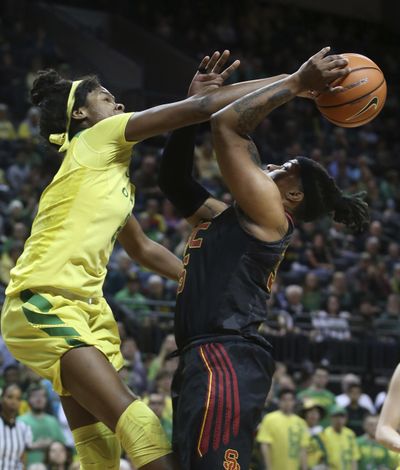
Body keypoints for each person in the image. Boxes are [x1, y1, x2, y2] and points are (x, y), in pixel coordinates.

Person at [1, 48, 297, 470]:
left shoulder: (109, 179)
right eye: (105, 97)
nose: (118, 103)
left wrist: (198, 279)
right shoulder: (96, 140)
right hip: (43, 300)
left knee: (99, 452)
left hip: (84, 310)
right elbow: (202, 109)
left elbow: (143, 250)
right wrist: (294, 80)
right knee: (141, 426)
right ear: (82, 115)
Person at [159, 47, 368, 469]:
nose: (271, 163)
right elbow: (175, 181)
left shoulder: (272, 217)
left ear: (292, 196)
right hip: (204, 356)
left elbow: (227, 124)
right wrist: (186, 109)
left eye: (284, 168)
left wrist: (296, 83)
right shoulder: (228, 217)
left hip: (227, 356)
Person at [257, 389, 310, 470]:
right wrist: (268, 467)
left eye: (290, 400)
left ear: (294, 402)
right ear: (279, 402)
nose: (287, 403)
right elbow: (265, 445)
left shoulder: (301, 422)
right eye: (284, 400)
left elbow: (303, 449)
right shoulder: (269, 418)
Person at [18, 385, 65, 466]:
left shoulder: (52, 421)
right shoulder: (20, 421)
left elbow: (63, 444)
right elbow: (14, 447)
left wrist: (51, 443)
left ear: (46, 399)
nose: (39, 399)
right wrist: (35, 445)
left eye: (42, 396)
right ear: (28, 399)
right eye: (35, 396)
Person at [0, 383, 33, 470]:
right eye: (10, 397)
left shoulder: (24, 428)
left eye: (18, 399)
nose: (13, 402)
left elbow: (23, 461)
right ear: (2, 399)